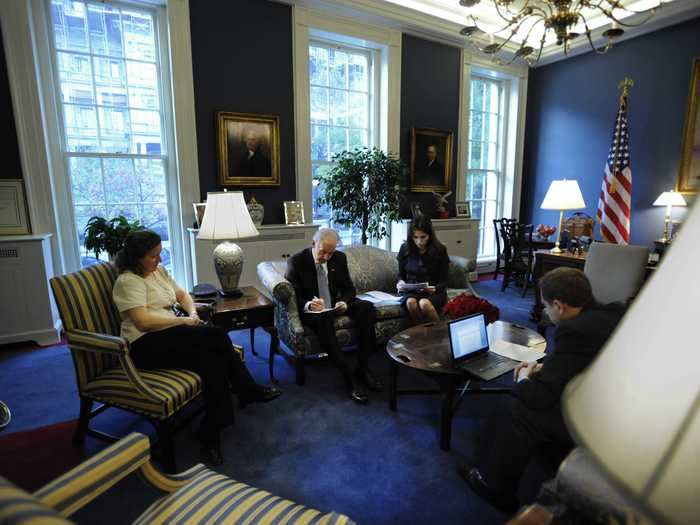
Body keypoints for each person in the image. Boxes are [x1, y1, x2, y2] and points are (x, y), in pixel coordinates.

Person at [458, 268, 625, 513]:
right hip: (611, 397)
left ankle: (494, 487)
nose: (545, 312)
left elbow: (539, 396)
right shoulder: (612, 313)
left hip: (594, 417)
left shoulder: (575, 331)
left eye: (546, 307)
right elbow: (580, 360)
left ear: (559, 305)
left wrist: (525, 378)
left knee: (519, 407)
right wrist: (544, 365)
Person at [112, 230, 281, 466]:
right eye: (153, 256)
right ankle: (246, 389)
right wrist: (183, 320)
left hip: (170, 334)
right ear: (136, 257)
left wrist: (191, 312)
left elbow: (182, 294)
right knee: (216, 335)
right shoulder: (128, 281)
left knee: (211, 360)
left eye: (160, 255)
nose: (159, 260)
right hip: (145, 345)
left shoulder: (157, 272)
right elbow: (143, 322)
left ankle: (210, 432)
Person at [285, 228, 383, 404]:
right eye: (323, 252)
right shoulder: (297, 261)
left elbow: (349, 288)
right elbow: (293, 296)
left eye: (330, 253)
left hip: (334, 304)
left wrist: (344, 302)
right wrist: (308, 304)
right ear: (314, 244)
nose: (326, 257)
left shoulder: (339, 258)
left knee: (367, 308)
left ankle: (362, 368)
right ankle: (349, 379)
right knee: (323, 320)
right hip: (313, 312)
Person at [396, 215, 449, 323]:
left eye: (423, 237)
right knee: (411, 303)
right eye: (415, 237)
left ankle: (441, 334)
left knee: (424, 304)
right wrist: (400, 282)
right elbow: (400, 274)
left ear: (430, 235)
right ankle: (422, 334)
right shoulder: (405, 249)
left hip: (434, 291)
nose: (419, 242)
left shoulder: (440, 250)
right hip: (411, 290)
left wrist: (433, 288)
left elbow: (444, 281)